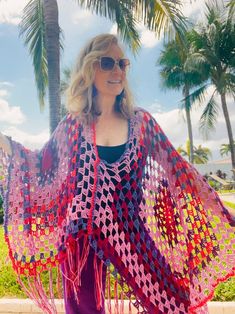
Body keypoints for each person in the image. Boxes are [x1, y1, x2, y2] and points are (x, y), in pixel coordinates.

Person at [0, 33, 234, 314]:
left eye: (122, 64)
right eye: (107, 62)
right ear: (89, 69)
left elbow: (180, 175)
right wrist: (6, 144)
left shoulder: (142, 123)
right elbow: (40, 167)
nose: (117, 71)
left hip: (133, 233)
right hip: (80, 245)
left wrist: (222, 214)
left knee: (172, 300)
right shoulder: (72, 127)